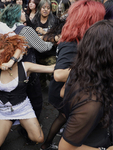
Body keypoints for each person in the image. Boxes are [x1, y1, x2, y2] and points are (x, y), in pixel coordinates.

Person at [40, 0, 106, 150]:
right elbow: (59, 74)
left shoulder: (80, 38)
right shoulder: (72, 43)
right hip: (63, 91)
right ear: (90, 20)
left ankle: (48, 144)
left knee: (65, 118)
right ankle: (53, 144)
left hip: (69, 89)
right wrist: (91, 66)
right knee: (69, 119)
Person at [0, 33, 55, 148]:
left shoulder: (25, 66)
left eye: (4, 55)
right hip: (3, 110)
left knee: (38, 138)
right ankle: (9, 123)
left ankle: (23, 124)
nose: (1, 59)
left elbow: (51, 68)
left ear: (11, 54)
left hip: (23, 107)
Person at [59, 19, 113, 150]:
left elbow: (62, 92)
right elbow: (64, 148)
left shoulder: (80, 69)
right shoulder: (91, 103)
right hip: (95, 142)